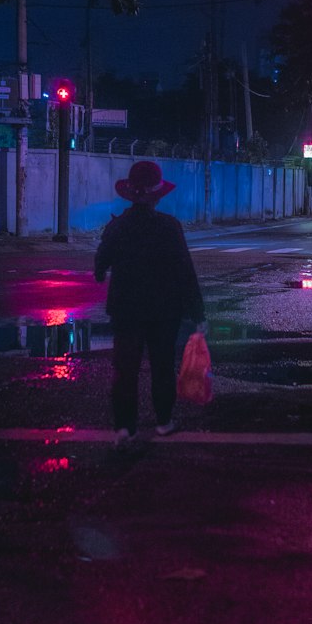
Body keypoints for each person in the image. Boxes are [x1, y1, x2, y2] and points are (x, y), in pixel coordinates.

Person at [93, 160, 205, 445]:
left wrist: (104, 269)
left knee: (125, 370)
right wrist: (197, 311)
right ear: (157, 196)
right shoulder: (169, 227)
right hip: (164, 309)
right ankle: (164, 422)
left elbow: (100, 265)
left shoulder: (117, 227)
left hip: (126, 308)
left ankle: (124, 427)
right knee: (162, 366)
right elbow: (185, 270)